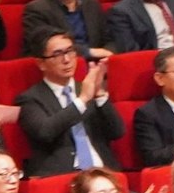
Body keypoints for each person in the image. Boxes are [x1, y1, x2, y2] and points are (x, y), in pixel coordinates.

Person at [18, 33, 124, 177]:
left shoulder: (87, 88)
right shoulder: (30, 99)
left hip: (103, 173)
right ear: (41, 63)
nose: (67, 60)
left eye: (70, 51)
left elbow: (117, 132)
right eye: (57, 54)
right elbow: (45, 132)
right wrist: (82, 100)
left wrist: (99, 94)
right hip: (63, 175)